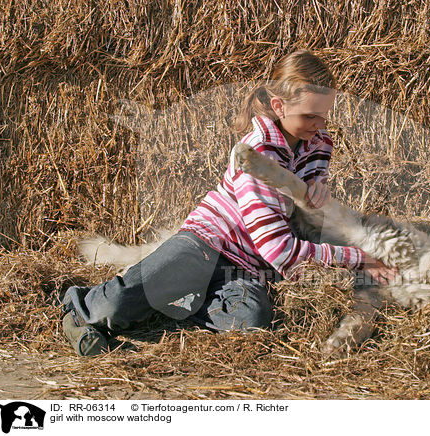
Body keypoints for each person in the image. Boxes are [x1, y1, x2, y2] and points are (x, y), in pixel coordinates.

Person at [62, 49, 398, 356]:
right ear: (279, 106)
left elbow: (312, 175)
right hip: (207, 243)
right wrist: (358, 258)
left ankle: (184, 297)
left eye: (325, 115)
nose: (320, 125)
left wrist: (317, 186)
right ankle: (79, 305)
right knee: (116, 306)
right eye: (311, 116)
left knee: (251, 323)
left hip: (246, 265)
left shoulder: (319, 140)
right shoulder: (256, 153)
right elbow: (278, 251)